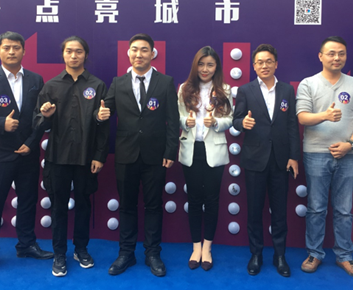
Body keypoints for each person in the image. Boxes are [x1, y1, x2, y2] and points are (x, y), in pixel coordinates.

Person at [0, 31, 53, 277]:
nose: (12, 51)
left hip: (28, 152)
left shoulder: (36, 79)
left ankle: (26, 245)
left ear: (24, 51)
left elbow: (41, 117)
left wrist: (32, 143)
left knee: (28, 201)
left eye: (16, 47)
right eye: (7, 48)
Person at [96, 33, 179, 277]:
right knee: (127, 206)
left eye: (144, 50)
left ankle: (153, 253)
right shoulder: (118, 82)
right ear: (128, 53)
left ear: (152, 54)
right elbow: (106, 110)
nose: (138, 54)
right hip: (126, 154)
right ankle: (126, 253)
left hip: (156, 155)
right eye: (134, 49)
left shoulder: (165, 82)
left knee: (153, 205)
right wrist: (100, 115)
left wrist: (170, 150)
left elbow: (173, 120)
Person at [35, 36, 109, 277]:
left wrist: (99, 155)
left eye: (78, 51)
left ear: (85, 55)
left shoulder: (97, 85)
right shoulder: (51, 85)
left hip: (87, 157)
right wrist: (45, 116)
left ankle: (81, 249)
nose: (74, 55)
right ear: (63, 55)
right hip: (58, 157)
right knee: (58, 207)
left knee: (84, 205)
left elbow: (103, 125)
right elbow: (38, 123)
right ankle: (59, 253)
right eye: (69, 51)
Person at [296, 36, 353, 278]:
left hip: (347, 154)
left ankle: (345, 256)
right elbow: (302, 117)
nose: (336, 58)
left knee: (344, 210)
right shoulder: (308, 83)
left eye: (341, 53)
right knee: (316, 208)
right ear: (321, 56)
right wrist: (325, 116)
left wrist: (351, 144)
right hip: (315, 153)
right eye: (331, 53)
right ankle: (314, 253)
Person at [233, 44, 300, 277]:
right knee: (254, 210)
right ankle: (256, 254)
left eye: (269, 61)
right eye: (260, 62)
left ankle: (280, 255)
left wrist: (293, 156)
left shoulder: (287, 90)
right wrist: (243, 123)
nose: (264, 65)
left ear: (276, 64)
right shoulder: (245, 90)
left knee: (279, 211)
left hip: (281, 160)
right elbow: (236, 119)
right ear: (254, 66)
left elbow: (292, 125)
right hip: (255, 159)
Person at [178, 46, 233, 271]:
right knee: (193, 200)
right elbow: (178, 116)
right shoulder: (184, 88)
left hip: (214, 150)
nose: (205, 69)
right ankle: (196, 247)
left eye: (210, 65)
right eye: (201, 64)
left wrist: (216, 123)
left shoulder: (224, 90)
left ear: (216, 67)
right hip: (191, 150)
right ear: (195, 65)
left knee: (211, 200)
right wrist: (185, 122)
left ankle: (207, 247)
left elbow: (230, 118)